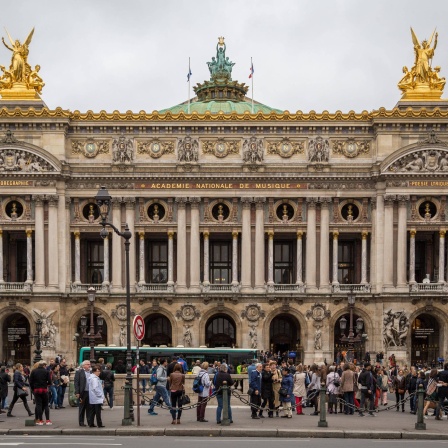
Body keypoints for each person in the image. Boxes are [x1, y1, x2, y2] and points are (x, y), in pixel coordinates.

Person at [29, 360, 51, 425]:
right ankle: (47, 420)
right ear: (43, 365)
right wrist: (46, 384)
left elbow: (30, 382)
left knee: (38, 405)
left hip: (36, 390)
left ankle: (40, 420)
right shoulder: (46, 371)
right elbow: (49, 382)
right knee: (46, 405)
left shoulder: (33, 371)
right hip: (44, 389)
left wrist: (33, 388)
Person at [74, 360, 92, 427]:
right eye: (87, 364)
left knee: (89, 408)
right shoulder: (79, 372)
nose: (89, 365)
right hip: (82, 392)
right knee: (82, 408)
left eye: (89, 364)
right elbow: (76, 383)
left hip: (90, 392)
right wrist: (77, 392)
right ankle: (81, 422)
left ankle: (90, 422)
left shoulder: (91, 372)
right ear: (83, 365)